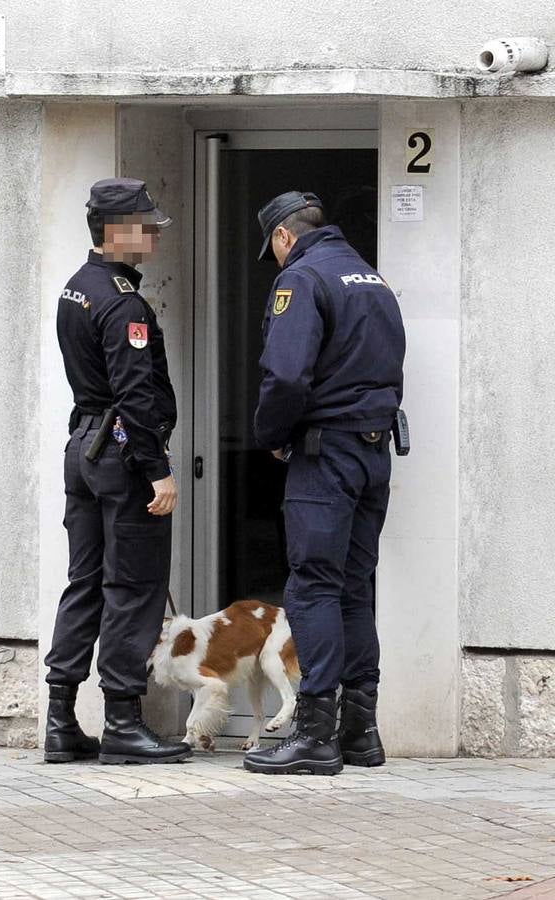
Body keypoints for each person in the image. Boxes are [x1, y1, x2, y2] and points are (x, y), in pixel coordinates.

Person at [244, 191, 406, 776]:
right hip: (374, 448)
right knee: (355, 587)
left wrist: (270, 434)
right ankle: (361, 735)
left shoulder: (304, 279)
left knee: (312, 586)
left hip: (326, 452)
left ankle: (314, 735)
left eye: (274, 250)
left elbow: (285, 374)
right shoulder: (373, 279)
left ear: (284, 237)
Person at [43, 177, 191, 766]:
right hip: (123, 452)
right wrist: (157, 470)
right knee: (132, 588)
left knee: (85, 582)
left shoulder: (77, 288)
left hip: (84, 447)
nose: (153, 232)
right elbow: (134, 394)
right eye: (144, 223)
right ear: (115, 230)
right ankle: (124, 724)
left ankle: (61, 722)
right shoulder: (122, 302)